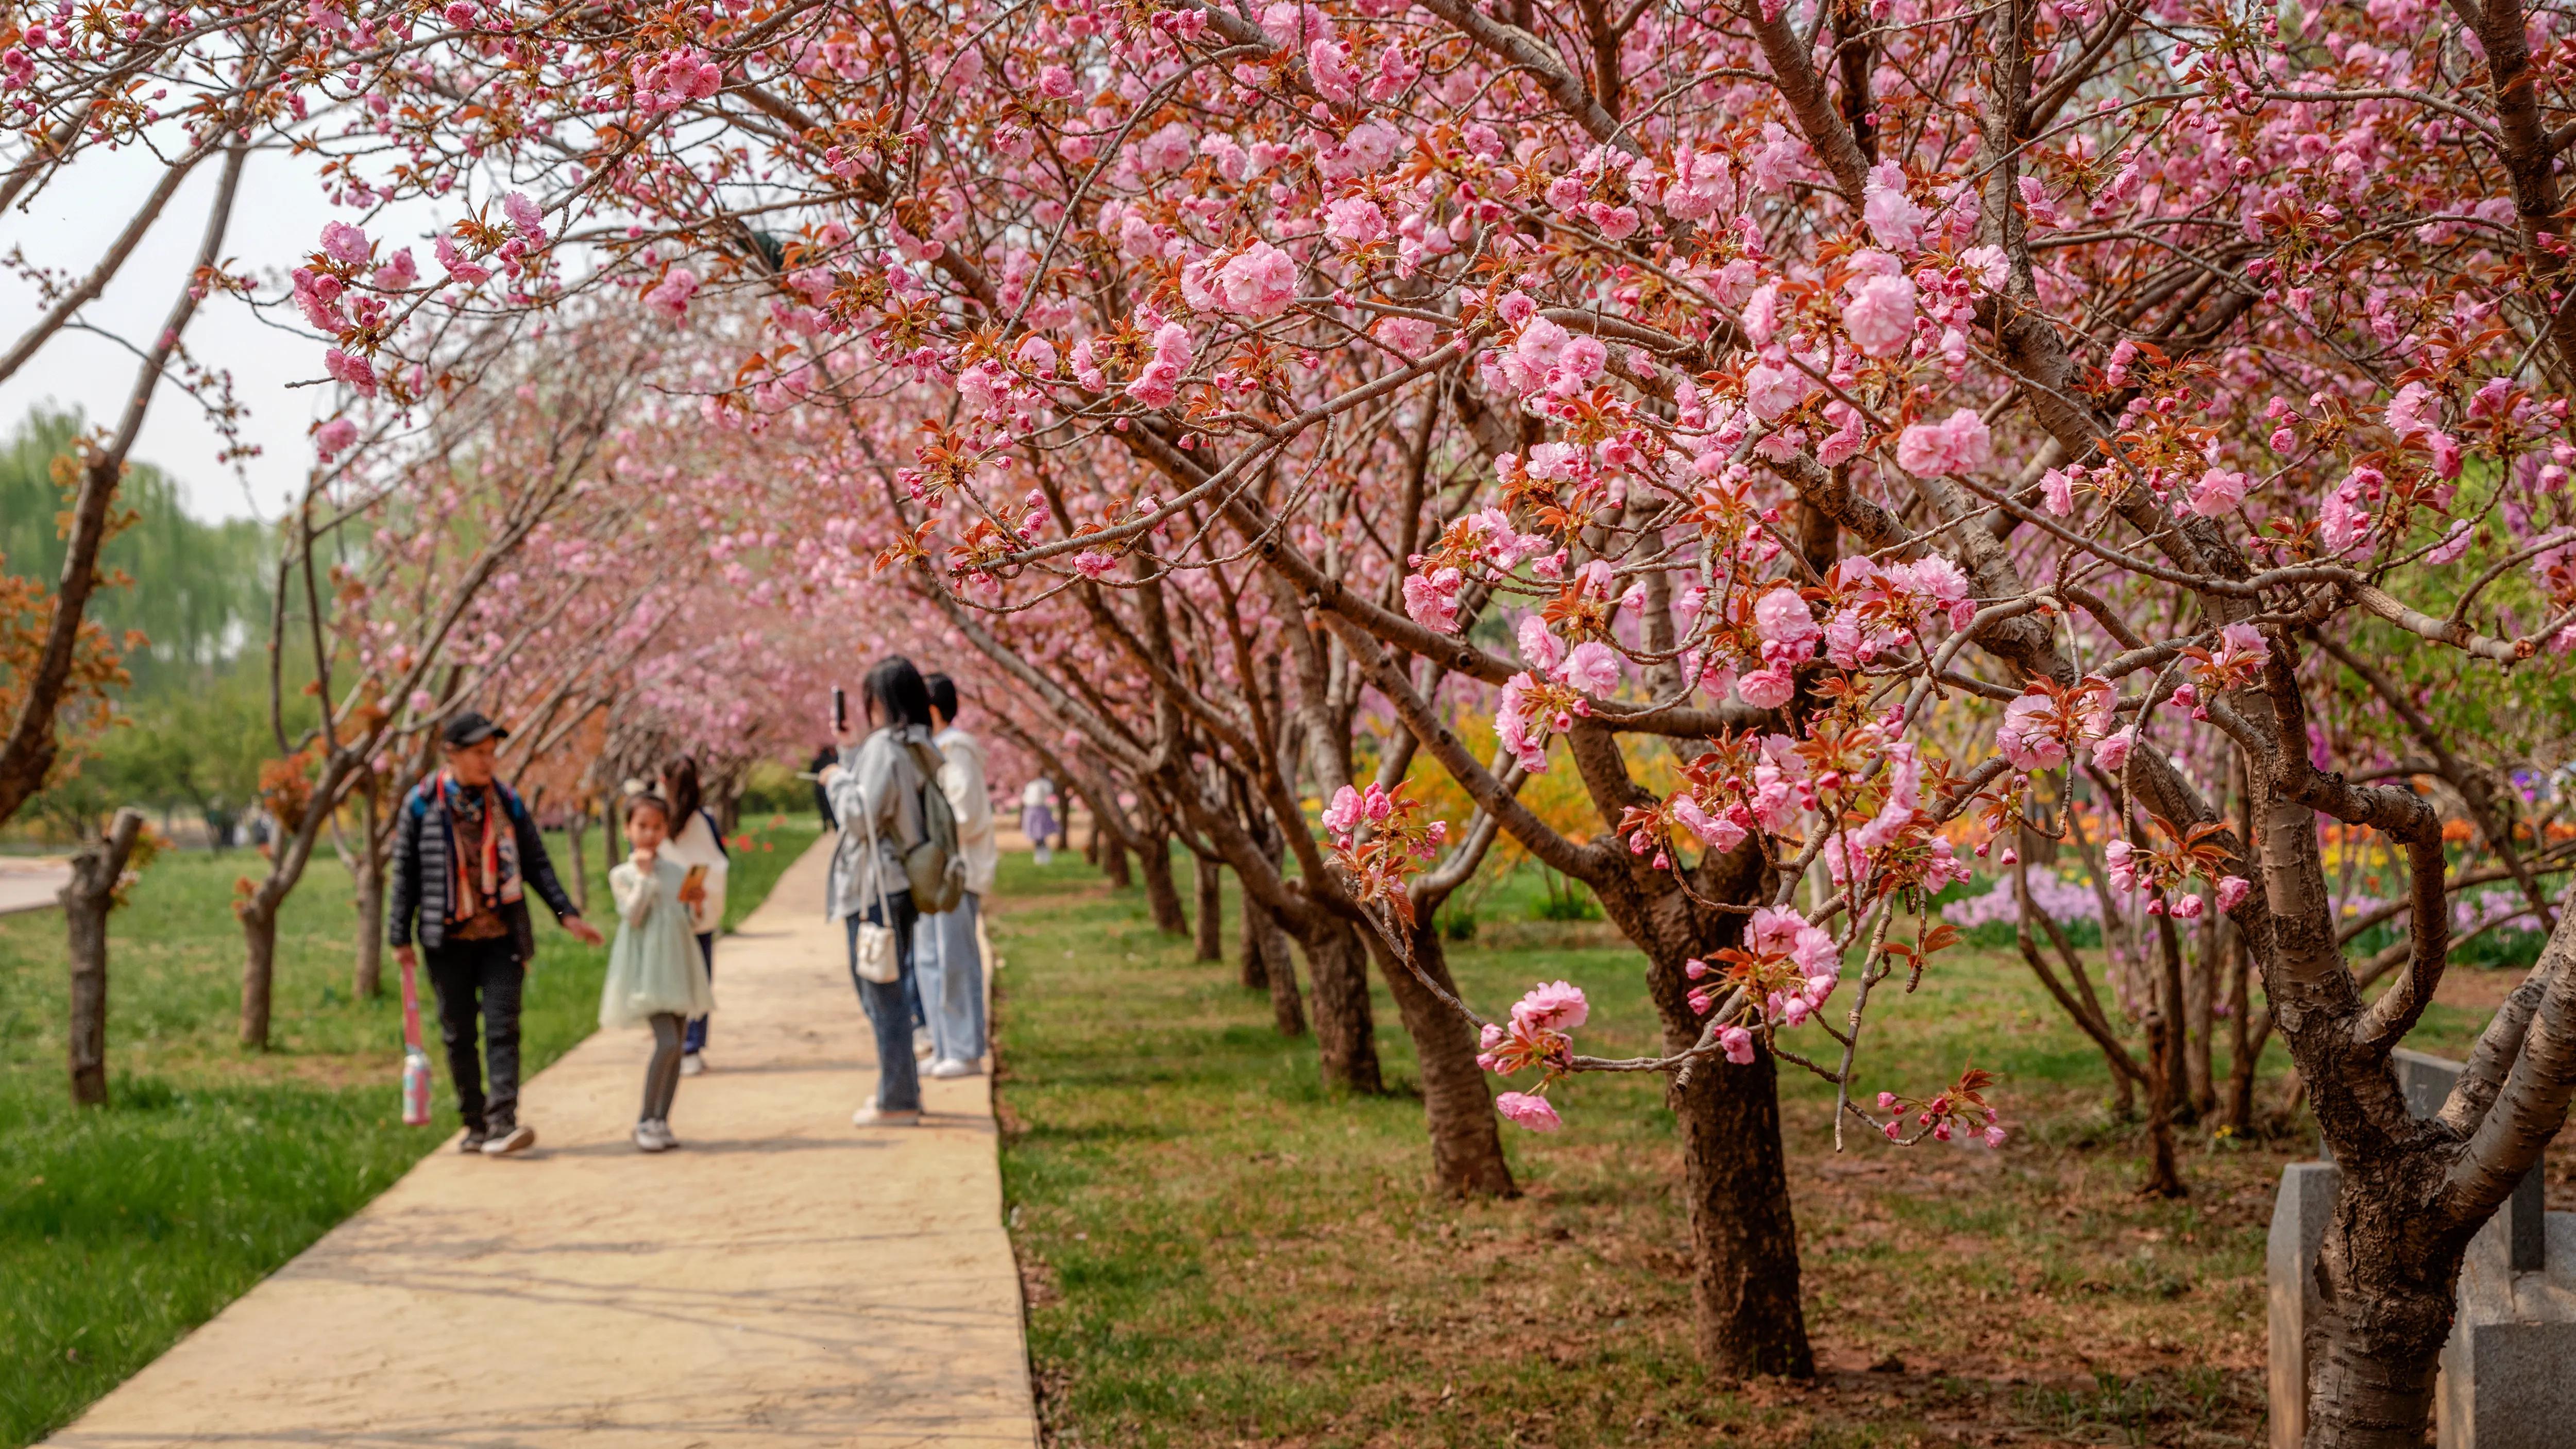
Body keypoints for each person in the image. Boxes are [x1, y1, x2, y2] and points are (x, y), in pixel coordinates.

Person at [390, 711, 604, 1156]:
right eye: (478, 753)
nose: (488, 761)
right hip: (446, 941)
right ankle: (475, 1124)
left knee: (503, 1029)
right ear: (451, 754)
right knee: (459, 1035)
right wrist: (399, 937)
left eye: (491, 753)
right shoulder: (422, 804)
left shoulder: (506, 801)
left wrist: (567, 914)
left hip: (502, 938)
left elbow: (537, 864)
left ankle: (503, 1121)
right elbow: (405, 873)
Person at [822, 656, 939, 1127]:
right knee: (888, 991)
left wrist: (835, 780)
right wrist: (851, 753)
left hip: (876, 887)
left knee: (881, 995)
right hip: (901, 882)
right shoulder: (917, 744)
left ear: (880, 701)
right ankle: (903, 1089)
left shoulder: (885, 747)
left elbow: (859, 816)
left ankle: (898, 1099)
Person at [600, 794, 715, 1152]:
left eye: (657, 826)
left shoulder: (679, 873)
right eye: (642, 826)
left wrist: (697, 904)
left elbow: (690, 922)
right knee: (666, 1042)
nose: (650, 834)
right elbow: (633, 916)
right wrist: (645, 877)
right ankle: (645, 1120)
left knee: (677, 1046)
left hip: (677, 965)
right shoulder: (623, 875)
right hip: (647, 971)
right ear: (627, 829)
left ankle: (662, 1119)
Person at [916, 673, 996, 1079]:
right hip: (933, 872)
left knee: (955, 961)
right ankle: (944, 1043)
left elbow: (964, 814)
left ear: (931, 711)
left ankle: (965, 1050)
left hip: (954, 873)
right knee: (931, 959)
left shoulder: (957, 750)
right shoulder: (934, 750)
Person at [658, 755, 730, 1076]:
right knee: (700, 978)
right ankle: (692, 1046)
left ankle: (671, 1040)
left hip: (665, 916)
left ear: (663, 782)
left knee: (669, 978)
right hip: (699, 909)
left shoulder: (655, 818)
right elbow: (720, 860)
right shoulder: (705, 821)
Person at [1021, 776, 1058, 867]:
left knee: (1041, 836)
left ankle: (1044, 857)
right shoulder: (1031, 785)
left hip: (1040, 811)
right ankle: (1040, 857)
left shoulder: (1043, 784)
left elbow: (1047, 792)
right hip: (1032, 811)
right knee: (1037, 837)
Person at [808, 742, 840, 830]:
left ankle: (827, 826)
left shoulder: (818, 760)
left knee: (824, 809)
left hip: (821, 788)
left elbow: (812, 771)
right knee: (832, 808)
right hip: (830, 788)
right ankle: (835, 826)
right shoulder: (835, 759)